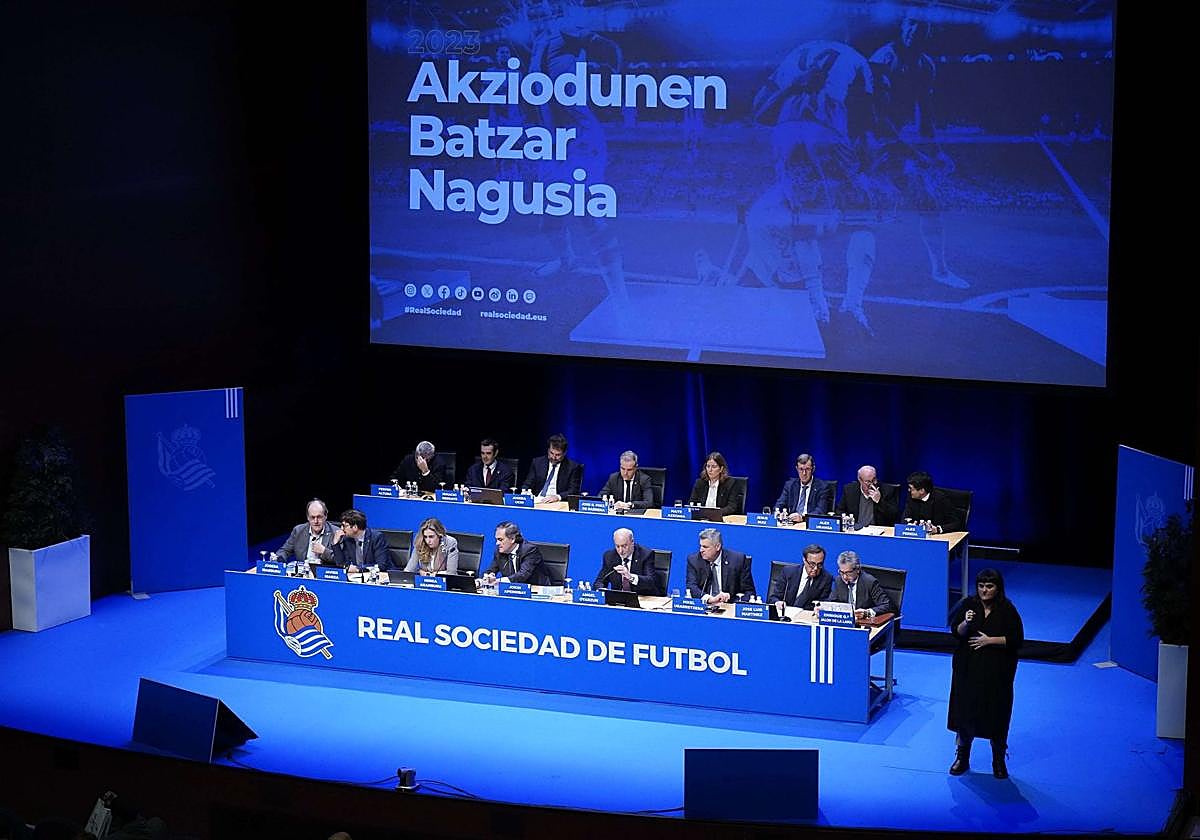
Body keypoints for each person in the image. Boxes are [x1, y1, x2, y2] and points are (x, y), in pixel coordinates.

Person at [948, 568, 1024, 779]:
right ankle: (962, 757)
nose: (984, 590)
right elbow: (957, 632)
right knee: (965, 715)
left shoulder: (1008, 610)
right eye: (981, 586)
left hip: (997, 674)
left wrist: (989, 640)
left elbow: (1017, 640)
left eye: (989, 586)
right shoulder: (968, 605)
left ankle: (998, 760)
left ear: (998, 588)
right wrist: (967, 623)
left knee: (997, 717)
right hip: (968, 671)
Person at [685, 527, 756, 604]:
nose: (701, 550)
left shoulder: (737, 560)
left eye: (705, 547)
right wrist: (709, 599)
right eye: (701, 546)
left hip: (729, 606)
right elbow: (691, 587)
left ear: (718, 547)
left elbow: (749, 592)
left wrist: (733, 601)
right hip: (705, 605)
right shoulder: (694, 560)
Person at [593, 527, 660, 595]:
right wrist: (601, 591)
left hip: (644, 599)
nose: (620, 551)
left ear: (632, 542)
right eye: (617, 546)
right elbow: (600, 581)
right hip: (618, 600)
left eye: (624, 546)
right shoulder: (609, 556)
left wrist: (631, 577)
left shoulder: (645, 555)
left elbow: (651, 582)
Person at [274, 499, 338, 569]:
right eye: (312, 517)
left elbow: (342, 561)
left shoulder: (336, 533)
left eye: (319, 517)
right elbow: (285, 550)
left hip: (325, 575)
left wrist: (324, 551)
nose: (315, 521)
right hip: (303, 574)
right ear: (308, 517)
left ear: (326, 516)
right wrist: (277, 559)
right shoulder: (298, 531)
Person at [481, 521, 550, 585]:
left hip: (535, 590)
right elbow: (491, 569)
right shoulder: (500, 551)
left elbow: (523, 575)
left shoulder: (530, 550)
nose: (497, 543)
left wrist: (499, 581)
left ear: (512, 539)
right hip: (511, 590)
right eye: (496, 539)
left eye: (500, 540)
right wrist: (488, 576)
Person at [768, 544, 833, 611]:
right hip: (784, 614)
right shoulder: (788, 572)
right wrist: (777, 602)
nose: (816, 568)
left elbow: (823, 603)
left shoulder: (826, 579)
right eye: (812, 564)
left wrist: (820, 608)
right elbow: (773, 597)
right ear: (804, 560)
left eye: (820, 564)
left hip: (807, 617)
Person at [828, 550, 891, 619]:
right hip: (845, 621)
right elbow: (831, 602)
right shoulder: (839, 580)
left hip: (865, 622)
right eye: (841, 572)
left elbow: (886, 605)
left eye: (848, 573)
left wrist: (867, 613)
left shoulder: (869, 582)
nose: (844, 577)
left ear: (858, 569)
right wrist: (822, 609)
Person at [522, 433, 583, 502]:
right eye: (551, 453)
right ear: (548, 450)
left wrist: (558, 497)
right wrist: (525, 492)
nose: (553, 457)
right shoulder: (537, 462)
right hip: (537, 500)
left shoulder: (573, 467)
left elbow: (573, 491)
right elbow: (528, 483)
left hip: (557, 502)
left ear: (564, 453)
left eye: (558, 455)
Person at [774, 453, 836, 521]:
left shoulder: (823, 487)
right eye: (801, 469)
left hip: (810, 526)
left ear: (813, 469)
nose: (804, 473)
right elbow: (779, 505)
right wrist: (779, 513)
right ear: (797, 469)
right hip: (791, 524)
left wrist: (803, 518)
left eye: (807, 469)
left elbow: (820, 511)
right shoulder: (790, 485)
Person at [836, 464, 900, 527]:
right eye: (867, 481)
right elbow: (839, 510)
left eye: (874, 480)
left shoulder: (887, 490)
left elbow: (894, 516)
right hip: (855, 530)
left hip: (877, 532)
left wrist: (879, 501)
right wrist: (845, 518)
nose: (871, 485)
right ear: (860, 480)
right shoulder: (849, 490)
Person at [687, 451, 743, 517]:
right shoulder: (700, 483)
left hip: (721, 520)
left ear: (721, 469)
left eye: (714, 467)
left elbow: (731, 507)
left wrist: (714, 514)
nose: (710, 470)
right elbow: (691, 504)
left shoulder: (731, 483)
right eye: (708, 466)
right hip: (701, 519)